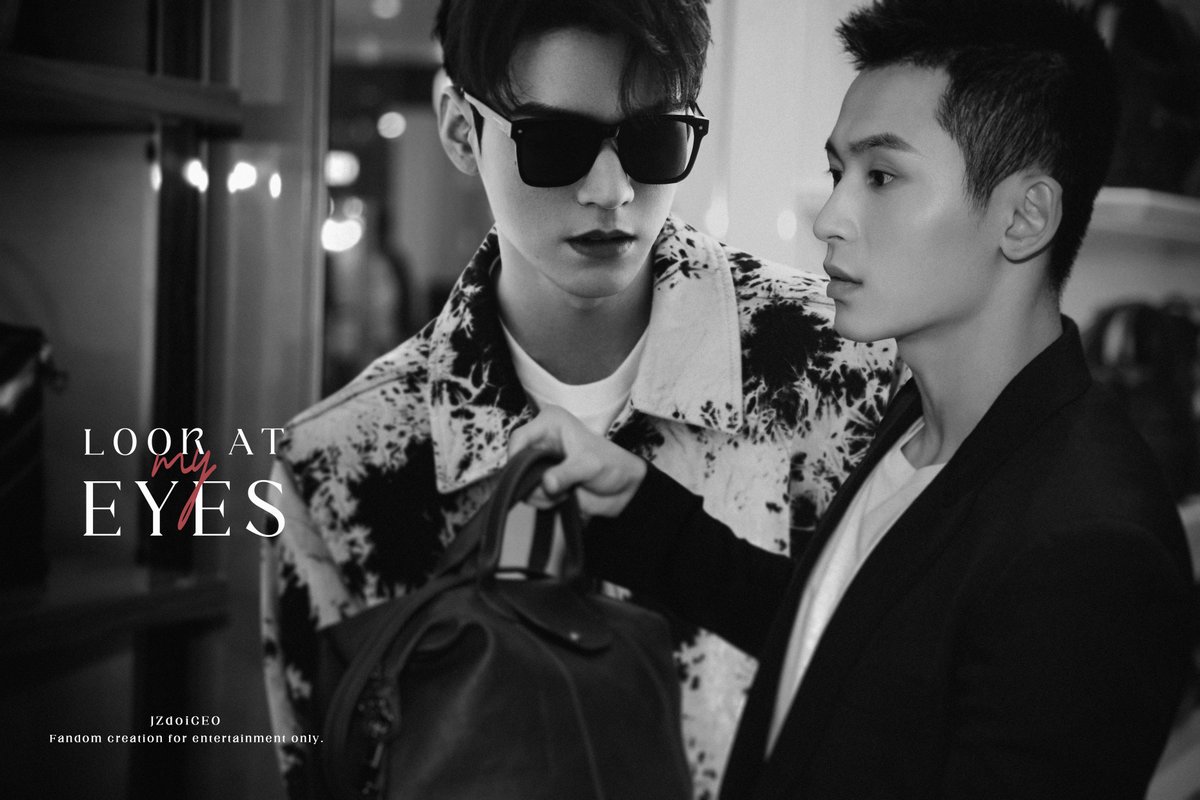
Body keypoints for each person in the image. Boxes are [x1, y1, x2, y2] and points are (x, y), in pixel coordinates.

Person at [510, 0, 1198, 797]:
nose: (831, 219)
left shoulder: (1092, 551)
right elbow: (853, 648)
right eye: (840, 173)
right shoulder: (927, 421)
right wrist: (637, 506)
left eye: (882, 176)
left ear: (1024, 217)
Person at [260, 0, 896, 796]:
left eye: (653, 139)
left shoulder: (845, 373)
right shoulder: (342, 466)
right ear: (460, 129)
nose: (612, 189)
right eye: (554, 142)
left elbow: (923, 692)